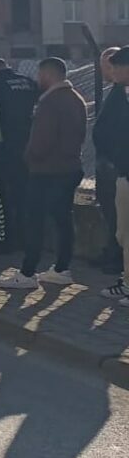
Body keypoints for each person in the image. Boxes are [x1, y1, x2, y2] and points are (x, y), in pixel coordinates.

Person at [0, 58, 87, 290]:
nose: (37, 79)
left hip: (47, 171)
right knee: (63, 219)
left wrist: (29, 157)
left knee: (33, 219)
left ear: (47, 74)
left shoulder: (50, 102)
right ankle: (62, 268)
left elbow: (41, 140)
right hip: (71, 167)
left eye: (40, 74)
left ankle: (27, 272)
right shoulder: (76, 99)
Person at [0, 58, 39, 249]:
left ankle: (5, 239)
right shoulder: (28, 82)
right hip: (30, 145)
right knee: (25, 193)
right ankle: (28, 238)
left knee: (2, 195)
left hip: (5, 148)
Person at [96, 48, 129, 304]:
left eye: (117, 66)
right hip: (123, 171)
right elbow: (104, 131)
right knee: (123, 233)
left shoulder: (119, 95)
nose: (113, 71)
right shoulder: (119, 93)